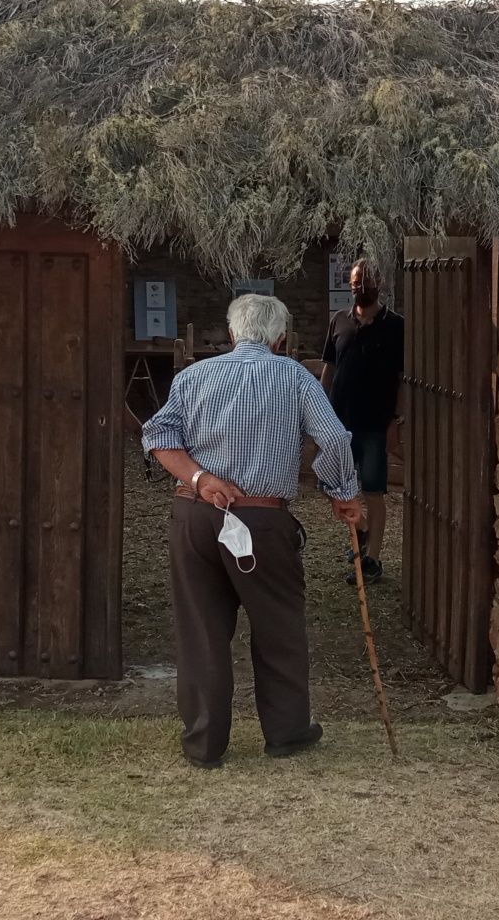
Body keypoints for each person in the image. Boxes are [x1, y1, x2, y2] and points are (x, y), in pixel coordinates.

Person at [141, 293, 364, 769]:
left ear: (233, 333)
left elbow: (157, 436)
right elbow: (335, 438)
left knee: (201, 631)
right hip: (264, 521)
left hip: (196, 519)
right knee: (278, 626)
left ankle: (204, 744)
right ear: (281, 339)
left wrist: (200, 480)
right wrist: (342, 492)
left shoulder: (194, 376)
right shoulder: (295, 378)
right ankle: (286, 733)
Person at [321, 258, 405, 583]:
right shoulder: (339, 321)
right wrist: (320, 410)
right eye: (355, 284)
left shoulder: (396, 325)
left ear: (379, 284)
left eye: (365, 283)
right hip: (339, 424)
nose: (359, 289)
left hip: (374, 425)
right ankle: (364, 528)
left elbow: (402, 377)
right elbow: (328, 369)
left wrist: (398, 419)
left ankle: (371, 561)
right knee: (331, 484)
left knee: (373, 492)